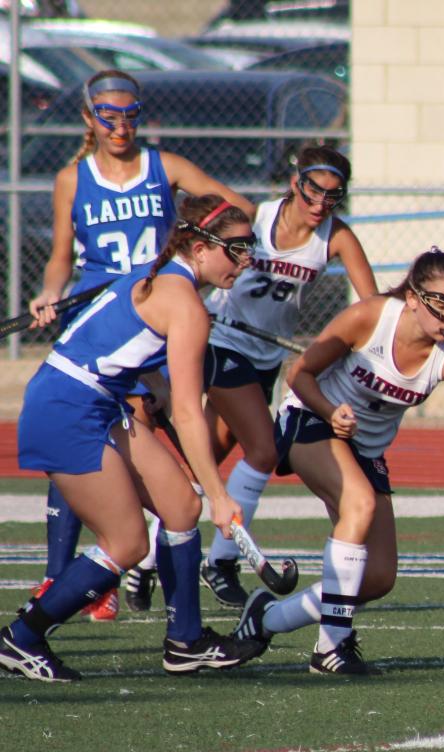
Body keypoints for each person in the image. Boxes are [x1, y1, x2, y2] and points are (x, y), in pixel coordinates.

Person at [0, 196, 267, 683]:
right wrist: (223, 495)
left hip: (98, 402)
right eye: (236, 248)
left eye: (250, 248)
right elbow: (189, 413)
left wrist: (160, 390)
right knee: (125, 543)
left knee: (181, 507)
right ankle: (22, 637)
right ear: (199, 245)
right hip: (68, 407)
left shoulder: (159, 272)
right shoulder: (187, 306)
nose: (245, 260)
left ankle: (185, 642)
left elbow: (135, 351)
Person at [27, 69, 254, 623]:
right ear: (89, 118)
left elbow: (235, 207)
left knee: (179, 502)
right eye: (109, 115)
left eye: (130, 113)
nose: (121, 125)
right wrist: (51, 294)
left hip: (144, 315)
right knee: (120, 510)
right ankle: (64, 585)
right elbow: (60, 255)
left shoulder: (163, 169)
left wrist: (220, 240)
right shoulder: (74, 178)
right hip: (106, 330)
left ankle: (184, 635)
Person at [233, 249, 444, 676]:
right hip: (311, 419)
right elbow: (299, 374)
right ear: (414, 297)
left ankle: (267, 618)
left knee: (377, 578)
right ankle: (331, 647)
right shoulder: (371, 318)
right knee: (359, 504)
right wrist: (331, 411)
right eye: (442, 304)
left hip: (365, 450)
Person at [122, 145, 378, 613]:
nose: (320, 202)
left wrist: (351, 344)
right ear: (296, 181)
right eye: (313, 189)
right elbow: (197, 235)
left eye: (333, 195)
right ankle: (221, 563)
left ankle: (146, 560)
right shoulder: (254, 217)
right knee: (263, 448)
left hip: (265, 358)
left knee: (209, 459)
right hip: (221, 341)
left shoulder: (336, 237)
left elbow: (371, 306)